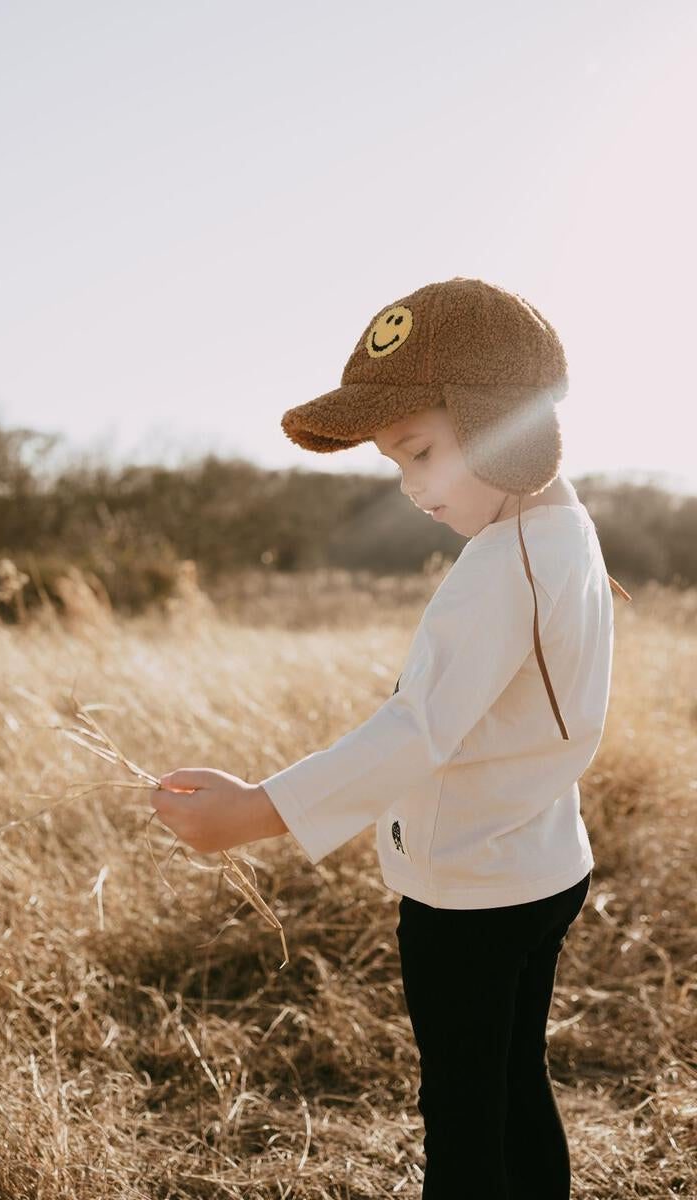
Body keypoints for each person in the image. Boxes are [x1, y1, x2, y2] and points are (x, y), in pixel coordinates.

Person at [152, 277, 631, 1199]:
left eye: (420, 452)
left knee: (460, 1106)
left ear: (505, 423)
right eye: (396, 465)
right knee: (512, 1080)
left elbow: (414, 733)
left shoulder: (498, 571)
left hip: (468, 894)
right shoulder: (565, 532)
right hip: (543, 866)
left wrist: (256, 811)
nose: (412, 489)